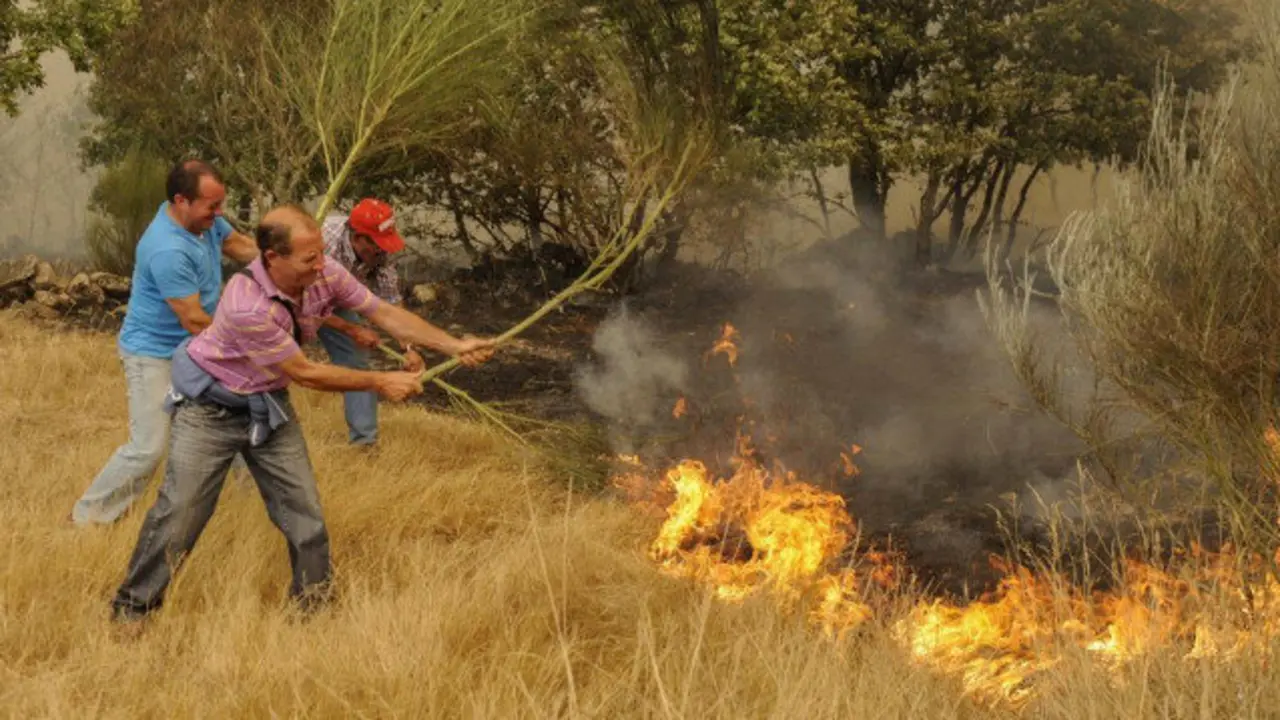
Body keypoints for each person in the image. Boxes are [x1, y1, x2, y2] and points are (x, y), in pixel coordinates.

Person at [109, 204, 495, 626]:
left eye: (321, 255)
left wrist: (454, 345)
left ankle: (313, 611)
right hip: (210, 411)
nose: (321, 265)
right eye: (309, 258)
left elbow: (384, 313)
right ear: (272, 258)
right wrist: (380, 382)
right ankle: (132, 611)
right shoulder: (246, 305)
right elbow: (305, 373)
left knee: (305, 513)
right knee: (181, 515)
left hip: (267, 406)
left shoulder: (324, 273)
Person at [70, 159, 259, 526]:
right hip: (153, 354)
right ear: (181, 200)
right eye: (212, 206)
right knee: (149, 447)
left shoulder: (203, 222)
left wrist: (283, 257)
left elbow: (238, 245)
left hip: (195, 349)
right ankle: (87, 518)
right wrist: (255, 341)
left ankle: (251, 513)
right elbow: (193, 320)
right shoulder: (167, 248)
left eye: (221, 204)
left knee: (238, 423)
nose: (219, 214)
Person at [316, 198, 415, 447]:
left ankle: (364, 444)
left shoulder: (379, 255)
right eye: (377, 245)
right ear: (358, 237)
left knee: (357, 363)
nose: (382, 251)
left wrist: (409, 349)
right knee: (274, 363)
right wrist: (352, 328)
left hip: (336, 300)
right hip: (293, 297)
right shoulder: (322, 240)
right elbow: (304, 304)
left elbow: (391, 302)